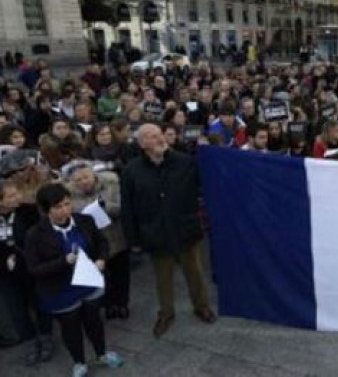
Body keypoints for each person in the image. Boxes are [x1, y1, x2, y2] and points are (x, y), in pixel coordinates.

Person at [120, 123, 216, 338]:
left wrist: (207, 150)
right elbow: (128, 207)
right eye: (152, 137)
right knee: (163, 278)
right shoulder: (131, 171)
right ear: (142, 143)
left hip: (185, 230)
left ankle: (202, 306)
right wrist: (133, 238)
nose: (160, 139)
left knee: (195, 274)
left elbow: (207, 181)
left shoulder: (184, 162)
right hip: (156, 234)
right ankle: (166, 313)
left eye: (160, 134)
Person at [24, 183, 123, 377]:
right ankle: (79, 362)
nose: (65, 210)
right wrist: (64, 262)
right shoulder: (34, 234)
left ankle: (102, 354)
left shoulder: (84, 220)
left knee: (94, 322)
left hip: (88, 282)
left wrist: (102, 259)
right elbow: (34, 268)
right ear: (46, 210)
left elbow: (101, 242)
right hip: (60, 290)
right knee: (71, 328)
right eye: (58, 207)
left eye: (67, 204)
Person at [64, 161, 130, 320]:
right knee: (103, 275)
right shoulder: (69, 195)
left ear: (93, 175)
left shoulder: (111, 183)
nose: (83, 182)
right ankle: (109, 304)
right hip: (94, 241)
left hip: (115, 235)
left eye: (86, 177)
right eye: (78, 180)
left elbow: (123, 207)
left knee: (121, 273)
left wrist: (104, 206)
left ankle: (122, 304)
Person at [0, 180, 54, 364]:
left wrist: (18, 254)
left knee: (39, 302)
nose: (18, 198)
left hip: (30, 267)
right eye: (11, 196)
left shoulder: (28, 211)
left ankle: (46, 336)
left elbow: (39, 237)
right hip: (5, 274)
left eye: (17, 193)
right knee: (17, 309)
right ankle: (30, 340)